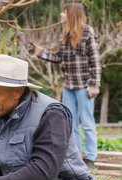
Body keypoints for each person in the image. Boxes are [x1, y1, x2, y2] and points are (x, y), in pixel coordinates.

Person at [36, 2, 101, 170]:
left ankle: (91, 158)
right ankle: (76, 156)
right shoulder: (64, 34)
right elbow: (59, 57)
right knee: (70, 123)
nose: (61, 15)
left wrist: (94, 84)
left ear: (71, 14)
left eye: (64, 13)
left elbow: (95, 60)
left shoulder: (88, 32)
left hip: (84, 85)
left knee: (87, 122)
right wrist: (42, 53)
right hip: (68, 85)